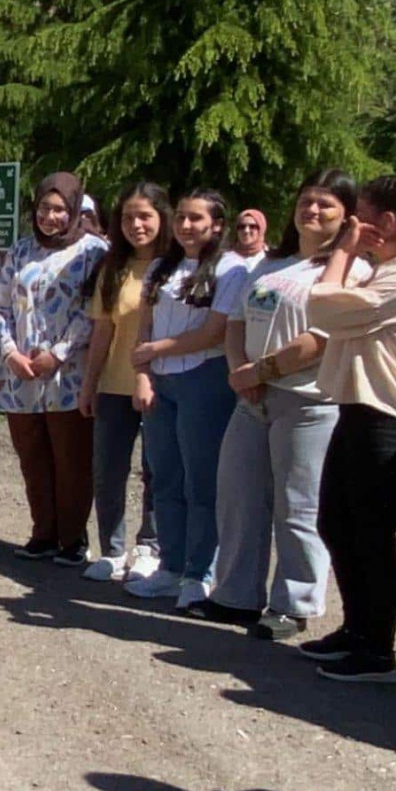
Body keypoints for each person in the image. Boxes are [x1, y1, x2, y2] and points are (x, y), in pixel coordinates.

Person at [193, 170, 365, 639]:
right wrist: (239, 371)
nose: (313, 210)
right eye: (306, 200)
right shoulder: (271, 265)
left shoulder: (352, 271)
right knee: (239, 497)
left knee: (298, 506)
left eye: (326, 204)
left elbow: (321, 339)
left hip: (309, 403)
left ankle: (294, 603)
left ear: (347, 216)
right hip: (252, 398)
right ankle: (235, 596)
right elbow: (236, 321)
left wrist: (260, 372)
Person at [297, 174, 396, 683]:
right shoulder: (386, 274)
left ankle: (378, 650)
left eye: (361, 215)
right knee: (337, 523)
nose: (354, 223)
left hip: (384, 419)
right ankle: (357, 629)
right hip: (355, 412)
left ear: (389, 222)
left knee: (371, 534)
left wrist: (344, 249)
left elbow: (320, 305)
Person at [126, 189, 247, 608]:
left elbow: (214, 332)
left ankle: (200, 574)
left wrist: (156, 350)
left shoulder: (231, 269)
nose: (186, 226)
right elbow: (143, 328)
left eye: (196, 218)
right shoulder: (161, 267)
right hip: (161, 383)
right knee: (165, 479)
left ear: (217, 225)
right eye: (180, 217)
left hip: (203, 379)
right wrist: (143, 376)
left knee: (201, 482)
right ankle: (170, 567)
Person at [0, 173, 108, 564]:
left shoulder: (93, 251)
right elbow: (1, 306)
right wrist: (11, 352)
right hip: (21, 374)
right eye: (44, 207)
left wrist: (58, 353)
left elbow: (92, 311)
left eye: (60, 209)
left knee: (71, 460)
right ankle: (43, 532)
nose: (50, 217)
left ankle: (72, 539)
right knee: (32, 458)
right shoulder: (21, 250)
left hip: (68, 374)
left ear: (74, 210)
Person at [76, 183, 172, 582]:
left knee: (157, 471)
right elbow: (103, 331)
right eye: (129, 217)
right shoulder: (113, 267)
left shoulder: (175, 267)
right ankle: (112, 550)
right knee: (108, 470)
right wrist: (89, 384)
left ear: (162, 218)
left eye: (145, 216)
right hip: (114, 384)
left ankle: (151, 547)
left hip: (163, 386)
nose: (136, 225)